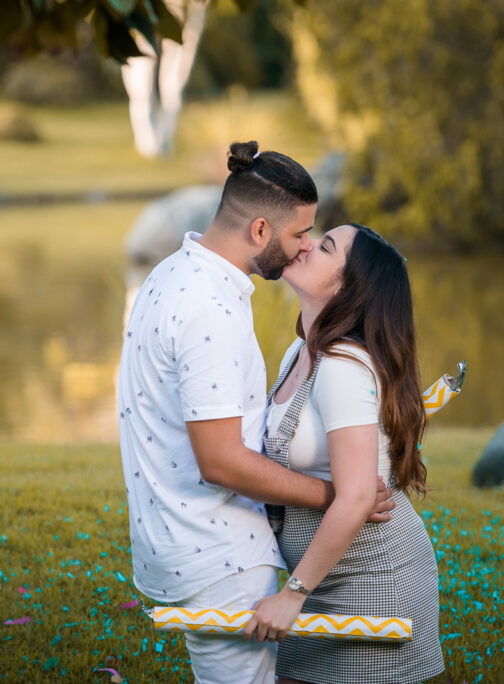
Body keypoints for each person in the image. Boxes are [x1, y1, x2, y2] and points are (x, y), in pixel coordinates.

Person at [117, 141, 396, 684]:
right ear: (261, 231)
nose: (302, 250)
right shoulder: (211, 310)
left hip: (178, 540)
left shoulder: (169, 274)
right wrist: (336, 495)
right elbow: (220, 462)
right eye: (298, 236)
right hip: (220, 553)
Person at [243, 223, 445, 683]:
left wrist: (292, 595)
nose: (307, 244)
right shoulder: (299, 351)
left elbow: (356, 498)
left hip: (371, 583)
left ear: (348, 286)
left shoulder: (343, 367)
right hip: (318, 580)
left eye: (326, 246)